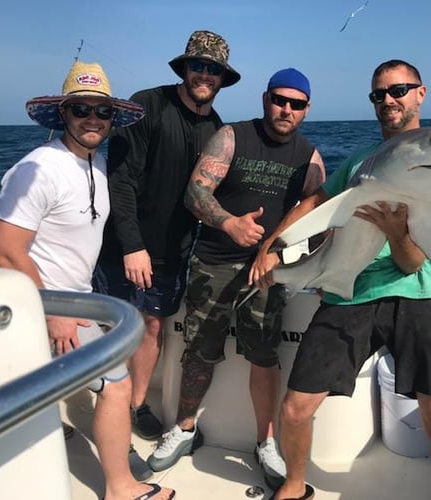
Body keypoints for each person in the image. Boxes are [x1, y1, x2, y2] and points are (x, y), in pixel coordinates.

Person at [250, 59, 431, 500]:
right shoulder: (360, 162)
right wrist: (270, 247)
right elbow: (315, 200)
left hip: (422, 292)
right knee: (294, 410)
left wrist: (393, 232)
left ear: (420, 93)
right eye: (379, 94)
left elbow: (412, 264)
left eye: (399, 90)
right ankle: (294, 486)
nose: (389, 100)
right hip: (350, 290)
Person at [0, 61, 175, 500]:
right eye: (81, 110)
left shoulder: (95, 165)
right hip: (45, 307)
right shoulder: (38, 168)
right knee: (117, 383)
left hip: (76, 300)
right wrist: (56, 314)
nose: (92, 119)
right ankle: (121, 489)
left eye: (102, 112)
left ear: (113, 120)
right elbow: (5, 252)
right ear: (63, 115)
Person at [147, 68, 326, 489]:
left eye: (296, 103)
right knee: (199, 351)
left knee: (264, 356)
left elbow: (319, 219)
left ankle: (265, 443)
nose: (286, 109)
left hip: (270, 272)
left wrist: (292, 257)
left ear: (306, 109)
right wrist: (229, 224)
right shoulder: (231, 137)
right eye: (279, 100)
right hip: (214, 262)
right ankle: (186, 427)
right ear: (265, 99)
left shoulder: (310, 158)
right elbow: (195, 193)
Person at [93, 30, 241, 441]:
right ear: (185, 67)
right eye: (199, 65)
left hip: (173, 252)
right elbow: (119, 181)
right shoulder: (146, 105)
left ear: (222, 78)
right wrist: (132, 244)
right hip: (123, 246)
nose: (205, 75)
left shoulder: (217, 128)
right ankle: (107, 398)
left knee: (154, 327)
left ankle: (136, 404)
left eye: (214, 70)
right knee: (113, 326)